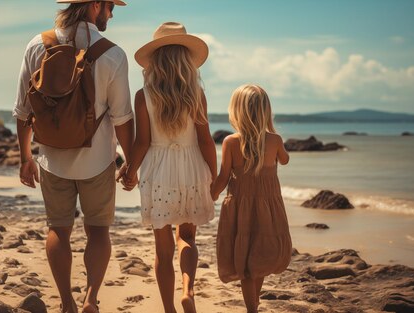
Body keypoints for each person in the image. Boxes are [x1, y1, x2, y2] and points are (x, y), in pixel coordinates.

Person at [12, 1, 134, 312]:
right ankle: (90, 299)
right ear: (95, 5)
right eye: (110, 6)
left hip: (52, 159)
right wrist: (131, 162)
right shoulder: (113, 54)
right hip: (99, 159)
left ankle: (66, 303)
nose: (112, 12)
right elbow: (122, 118)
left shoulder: (38, 45)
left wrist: (25, 157)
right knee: (98, 231)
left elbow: (23, 111)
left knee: (58, 229)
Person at [118, 22, 217, 313]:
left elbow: (142, 142)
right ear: (186, 59)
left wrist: (130, 170)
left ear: (155, 60)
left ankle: (169, 309)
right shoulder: (196, 94)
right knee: (186, 237)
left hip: (158, 171)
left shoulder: (143, 95)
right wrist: (213, 177)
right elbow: (206, 140)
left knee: (163, 250)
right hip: (192, 167)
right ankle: (188, 291)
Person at [210, 84, 292, 313]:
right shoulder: (274, 140)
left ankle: (252, 308)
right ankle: (253, 306)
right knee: (260, 257)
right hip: (269, 208)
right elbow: (284, 160)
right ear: (266, 111)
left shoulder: (231, 142)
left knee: (245, 261)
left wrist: (211, 195)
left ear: (236, 111)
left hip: (240, 208)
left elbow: (223, 177)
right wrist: (273, 137)